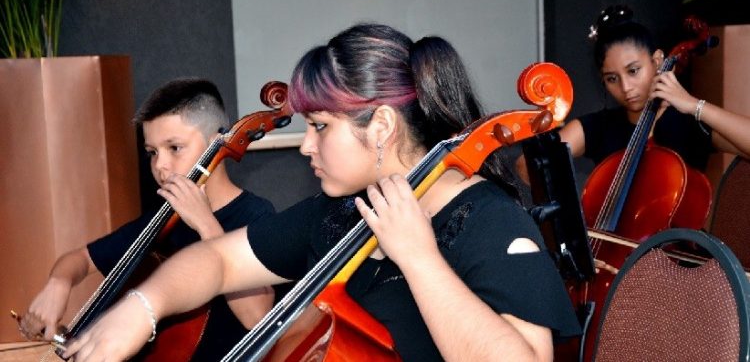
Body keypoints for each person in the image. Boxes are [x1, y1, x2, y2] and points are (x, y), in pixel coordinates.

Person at [63, 23, 580, 362]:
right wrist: (141, 308)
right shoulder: (339, 212)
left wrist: (421, 259)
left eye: (320, 126)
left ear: (380, 126)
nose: (305, 146)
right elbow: (218, 261)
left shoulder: (491, 219)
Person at [17, 78, 277, 360]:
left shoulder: (255, 215)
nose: (160, 165)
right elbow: (80, 259)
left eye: (174, 148)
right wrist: (59, 283)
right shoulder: (160, 222)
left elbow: (258, 317)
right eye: (152, 152)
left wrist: (206, 225)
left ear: (215, 144)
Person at [517, 5, 749, 183]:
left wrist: (694, 105)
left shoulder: (687, 124)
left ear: (657, 61)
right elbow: (527, 168)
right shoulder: (600, 127)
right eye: (612, 79)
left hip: (674, 245)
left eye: (633, 71)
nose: (626, 87)